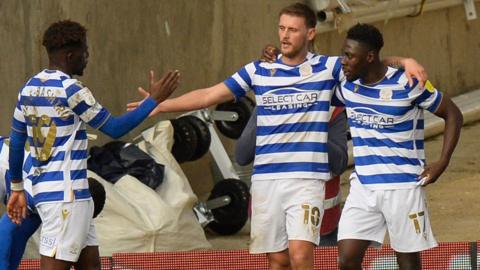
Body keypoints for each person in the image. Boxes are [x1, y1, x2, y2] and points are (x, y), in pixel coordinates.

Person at [127, 3, 425, 269]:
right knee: (277, 259)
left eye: (293, 30)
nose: (284, 35)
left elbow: (364, 61)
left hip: (307, 180)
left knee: (300, 255)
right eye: (281, 28)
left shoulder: (327, 68)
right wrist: (159, 105)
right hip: (266, 181)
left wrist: (405, 61)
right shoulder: (258, 71)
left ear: (310, 34)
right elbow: (208, 94)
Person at [7, 20, 179, 270]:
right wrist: (153, 101)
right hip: (67, 197)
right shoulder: (72, 90)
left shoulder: (28, 88)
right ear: (70, 55)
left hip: (58, 193)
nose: (87, 57)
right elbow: (115, 128)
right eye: (85, 51)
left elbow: (17, 142)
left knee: (91, 265)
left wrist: (17, 188)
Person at [334, 23, 463, 270]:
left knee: (408, 263)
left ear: (369, 57)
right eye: (344, 54)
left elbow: (454, 114)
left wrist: (442, 162)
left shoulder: (408, 83)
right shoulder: (347, 84)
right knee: (347, 260)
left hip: (404, 188)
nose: (343, 61)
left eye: (350, 56)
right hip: (364, 187)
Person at [234, 106, 348, 246]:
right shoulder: (269, 103)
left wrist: (309, 128)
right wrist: (270, 114)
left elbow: (339, 163)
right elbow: (242, 156)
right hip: (271, 215)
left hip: (318, 223)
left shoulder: (331, 108)